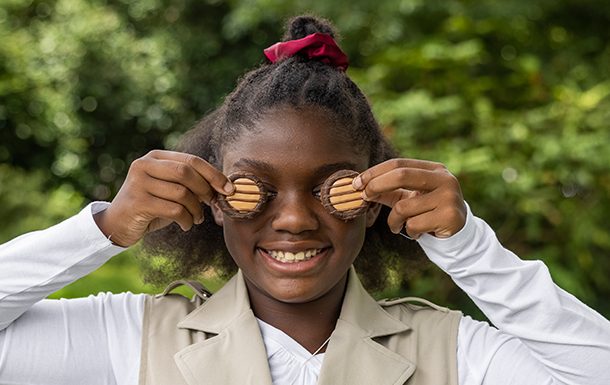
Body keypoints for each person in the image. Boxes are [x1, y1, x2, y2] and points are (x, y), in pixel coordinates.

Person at [1, 15, 609, 385]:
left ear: (374, 199)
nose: (292, 219)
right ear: (213, 198)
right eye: (255, 188)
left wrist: (471, 247)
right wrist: (104, 227)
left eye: (330, 186)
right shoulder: (131, 339)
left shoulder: (452, 351)